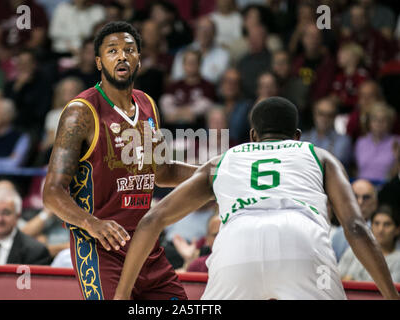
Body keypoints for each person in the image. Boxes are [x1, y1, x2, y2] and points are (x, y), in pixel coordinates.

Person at [114, 96, 400, 300]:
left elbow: (152, 220)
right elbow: (355, 227)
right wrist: (390, 295)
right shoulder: (318, 155)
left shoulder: (224, 161)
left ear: (252, 136)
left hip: (236, 247)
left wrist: (123, 293)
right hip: (301, 243)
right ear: (297, 136)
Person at [43, 21, 198, 300]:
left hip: (146, 247)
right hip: (101, 248)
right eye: (112, 51)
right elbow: (52, 193)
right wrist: (92, 223)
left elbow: (162, 171)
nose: (122, 56)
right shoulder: (81, 112)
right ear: (99, 62)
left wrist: (210, 172)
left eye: (129, 50)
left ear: (139, 58)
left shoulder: (147, 104)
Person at [339, 204, 400, 283]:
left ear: (397, 230)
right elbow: (335, 278)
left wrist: (354, 282)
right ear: (371, 227)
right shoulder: (354, 250)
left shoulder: (398, 260)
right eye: (376, 224)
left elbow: (393, 291)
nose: (380, 229)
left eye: (387, 224)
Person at [354, 103, 400, 183]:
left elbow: (396, 176)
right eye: (375, 119)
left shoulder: (397, 142)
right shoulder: (361, 142)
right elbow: (357, 170)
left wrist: (397, 159)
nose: (379, 123)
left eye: (383, 120)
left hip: (386, 188)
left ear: (390, 123)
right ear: (369, 122)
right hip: (363, 187)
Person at [302, 98, 352, 169]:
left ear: (335, 117)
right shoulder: (302, 138)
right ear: (314, 114)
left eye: (329, 115)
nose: (324, 118)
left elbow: (337, 165)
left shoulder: (344, 141)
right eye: (321, 114)